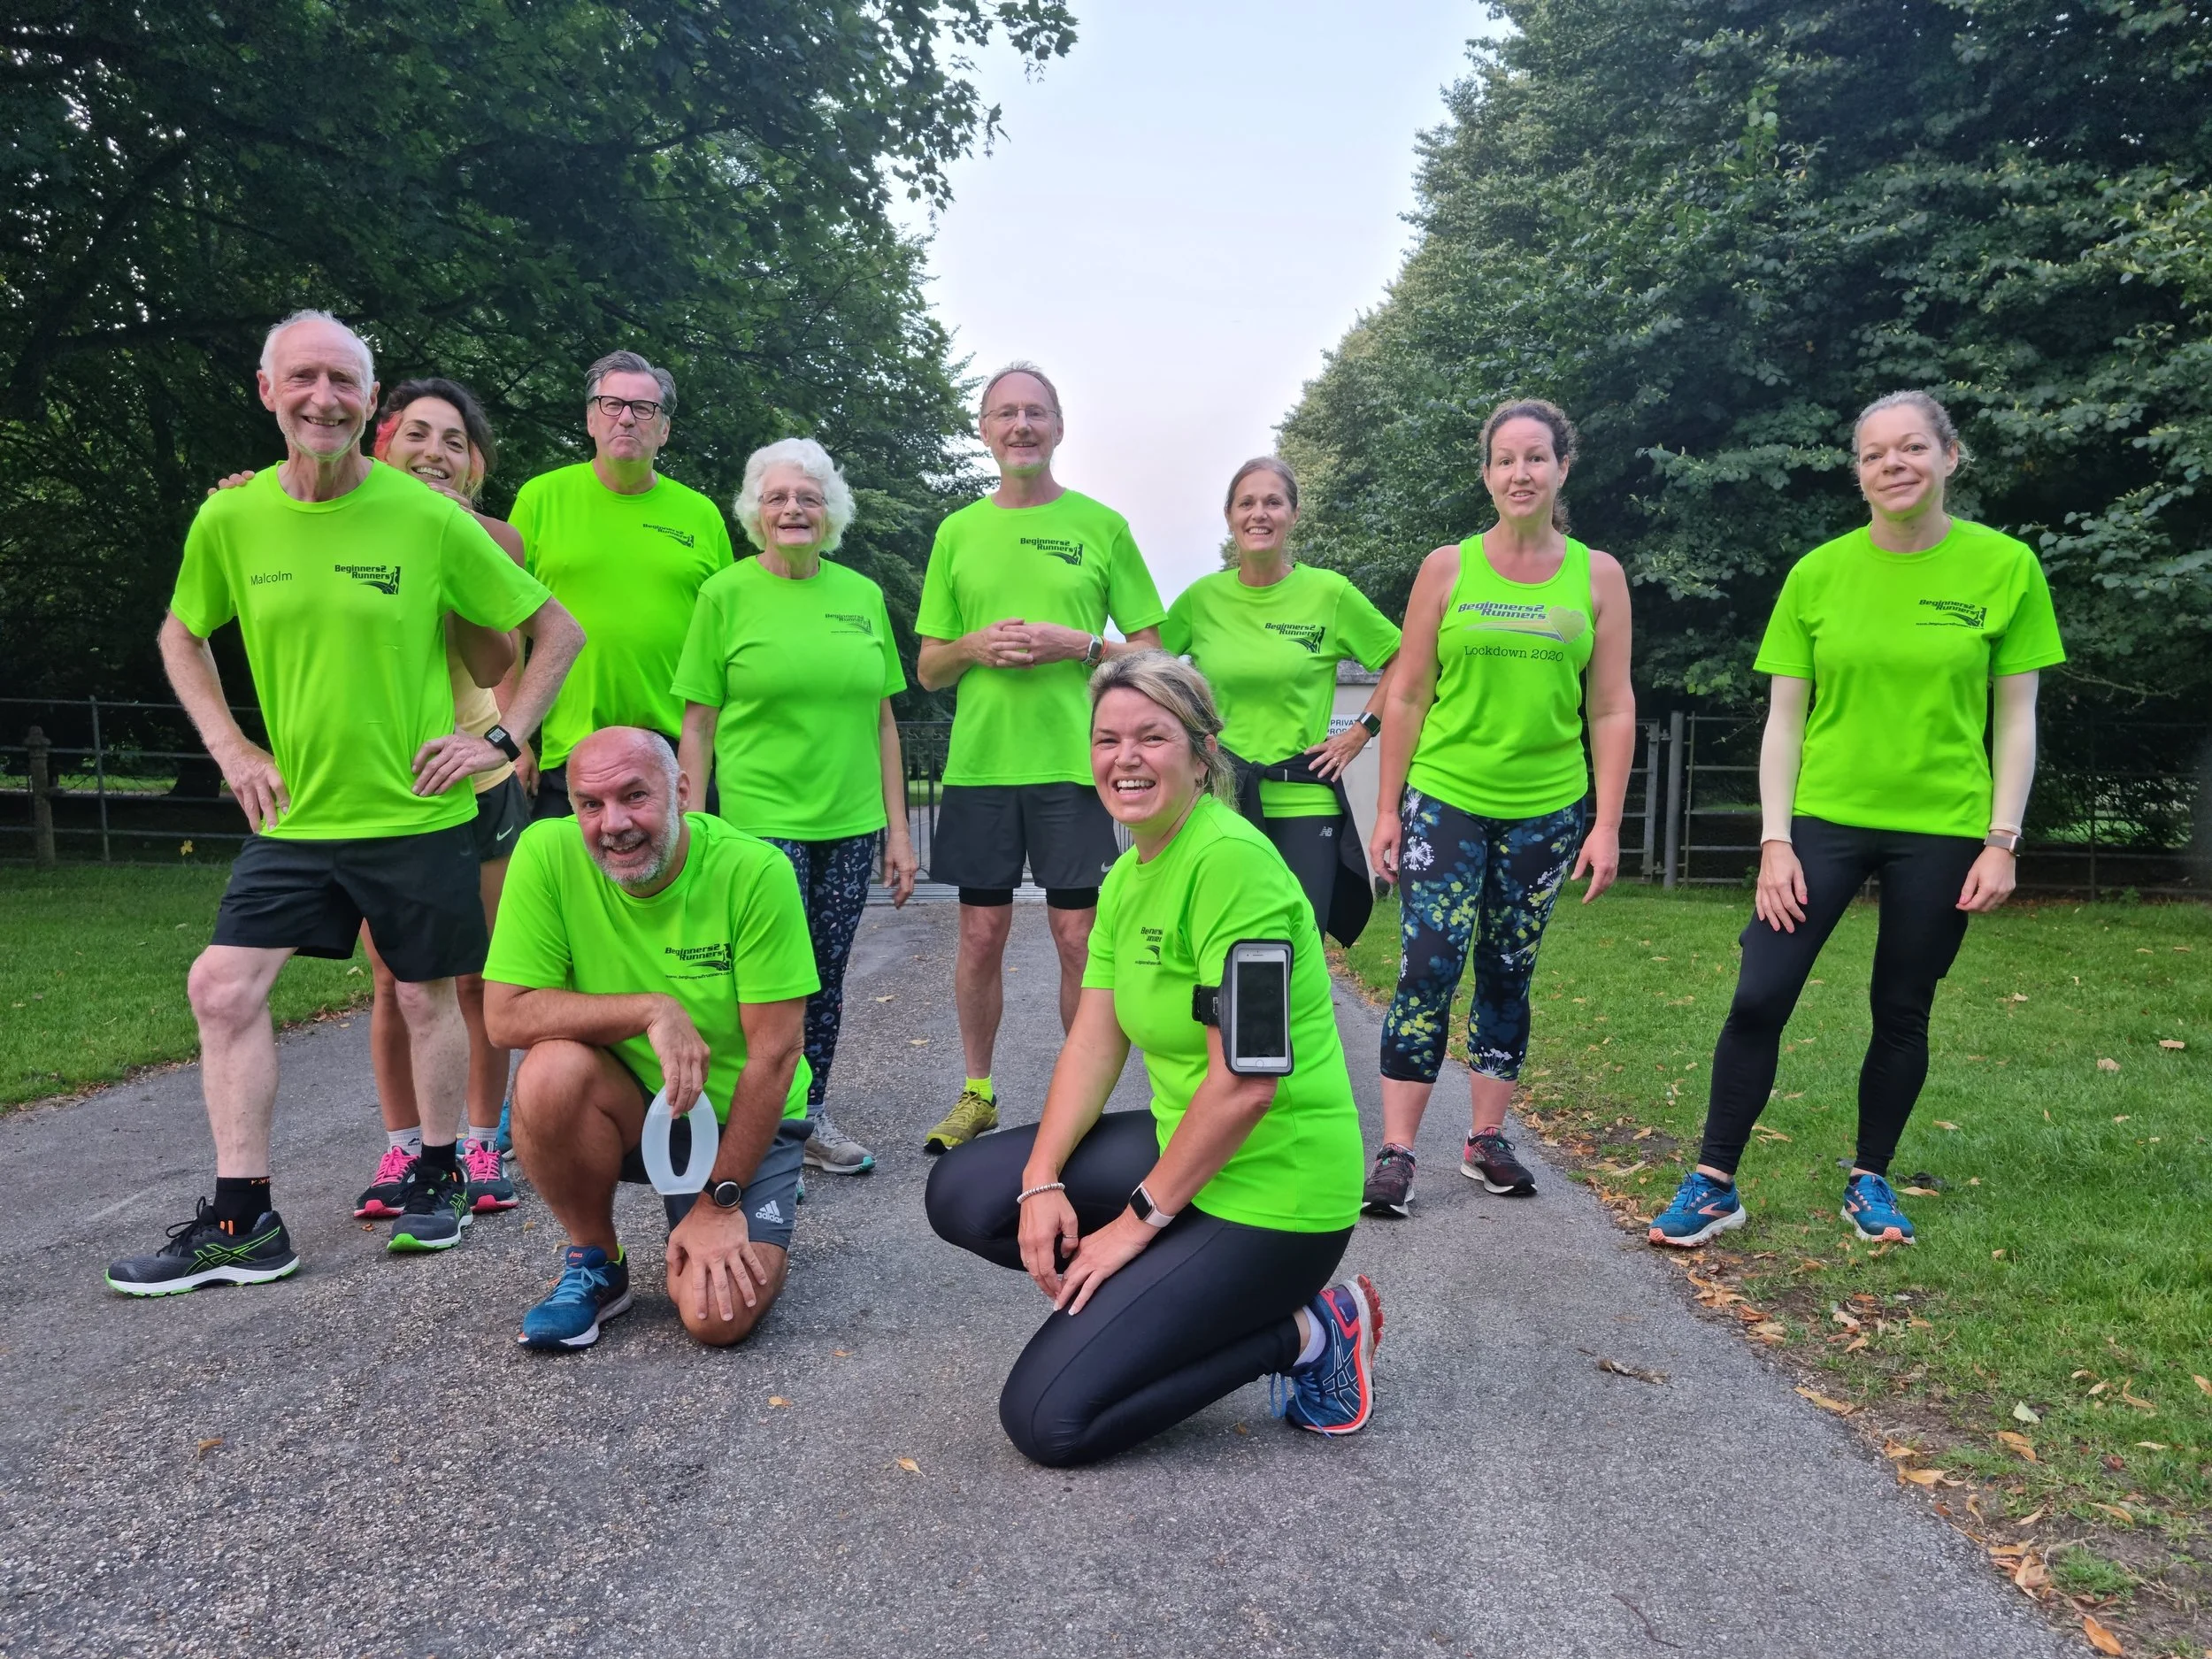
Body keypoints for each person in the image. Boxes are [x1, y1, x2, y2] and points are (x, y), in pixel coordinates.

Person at [105, 311, 584, 1295]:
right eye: (305, 378)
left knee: (426, 991)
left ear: (368, 401)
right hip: (297, 818)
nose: (323, 396)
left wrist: (495, 736)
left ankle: (441, 1171)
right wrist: (231, 746)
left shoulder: (429, 519)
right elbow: (180, 636)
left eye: (344, 380)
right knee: (221, 988)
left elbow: (555, 631)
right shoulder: (230, 518)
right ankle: (244, 1221)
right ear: (267, 390)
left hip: (415, 810)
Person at [925, 651, 1380, 1466]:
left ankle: (1310, 1330)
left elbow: (1244, 1090)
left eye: (1152, 737)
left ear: (1204, 754)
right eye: (1106, 739)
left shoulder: (1234, 867)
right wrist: (1042, 1179)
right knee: (968, 1192)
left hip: (1277, 1192)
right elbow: (1094, 1041)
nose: (1124, 758)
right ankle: (1171, 1285)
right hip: (1188, 1149)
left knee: (1048, 1422)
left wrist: (1132, 1228)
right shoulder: (1132, 872)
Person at [1649, 391, 2064, 1250]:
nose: (1893, 465)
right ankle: (1714, 1183)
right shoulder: (1817, 573)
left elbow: (2016, 716)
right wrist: (1773, 840)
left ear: (1950, 457)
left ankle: (1868, 1180)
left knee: (1902, 1004)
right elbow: (1785, 720)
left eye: (1912, 447)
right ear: (1857, 472)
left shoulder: (2005, 567)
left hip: (1944, 825)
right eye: (1875, 454)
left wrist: (2001, 839)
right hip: (1823, 819)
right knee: (1759, 991)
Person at [206, 377, 534, 1217]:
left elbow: (501, 661)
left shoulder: (488, 534)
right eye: (416, 434)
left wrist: (503, 739)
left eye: (455, 441)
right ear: (378, 446)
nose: (434, 452)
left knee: (476, 978)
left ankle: (478, 1142)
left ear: (476, 466)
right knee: (396, 981)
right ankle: (404, 1151)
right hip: (369, 790)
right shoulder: (311, 514)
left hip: (472, 776)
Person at [1364, 398, 1636, 1217]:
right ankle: (1398, 1152)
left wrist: (1609, 823)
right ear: (1486, 474)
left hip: (1546, 810)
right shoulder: (1447, 567)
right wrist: (1385, 810)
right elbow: (1407, 693)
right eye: (1505, 459)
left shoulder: (1598, 575)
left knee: (1509, 973)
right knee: (1427, 969)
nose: (1521, 473)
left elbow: (1612, 706)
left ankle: (1485, 1141)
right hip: (1445, 799)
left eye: (1536, 458)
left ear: (1562, 467)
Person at [482, 728, 818, 1350]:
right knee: (549, 1071)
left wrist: (721, 1202)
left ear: (682, 790)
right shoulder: (546, 853)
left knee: (715, 1319)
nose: (613, 824)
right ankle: (596, 1259)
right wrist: (650, 1010)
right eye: (590, 803)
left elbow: (776, 1055)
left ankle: (739, 1202)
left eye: (635, 796)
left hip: (743, 1111)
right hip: (632, 1105)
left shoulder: (755, 871)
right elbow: (505, 1017)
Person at [914, 363, 1167, 1154]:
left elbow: (1154, 654)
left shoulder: (1102, 524)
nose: (1020, 425)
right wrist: (971, 645)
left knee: (1077, 936)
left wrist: (1080, 644)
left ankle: (1077, 1097)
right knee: (982, 935)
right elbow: (928, 669)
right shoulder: (957, 531)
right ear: (984, 430)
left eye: (1035, 412)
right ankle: (979, 1091)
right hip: (984, 767)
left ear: (1059, 427)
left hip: (1073, 767)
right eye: (1004, 414)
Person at [675, 438, 919, 1178]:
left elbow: (883, 721)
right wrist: (689, 826)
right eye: (778, 497)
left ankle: (805, 1120)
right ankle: (752, 1128)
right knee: (763, 984)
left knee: (825, 978)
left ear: (830, 511)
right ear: (756, 510)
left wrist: (899, 831)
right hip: (759, 824)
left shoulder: (862, 596)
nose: (793, 509)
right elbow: (698, 722)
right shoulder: (725, 594)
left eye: (808, 497)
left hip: (847, 826)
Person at [1160, 456, 1400, 940]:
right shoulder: (1201, 599)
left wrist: (1361, 731)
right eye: (1246, 503)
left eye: (1273, 502)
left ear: (1293, 513)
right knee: (1220, 939)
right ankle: (1220, 1021)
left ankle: (1302, 1020)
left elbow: (1405, 660)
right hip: (1220, 799)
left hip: (1305, 800)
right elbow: (1149, 668)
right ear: (1229, 516)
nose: (1259, 513)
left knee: (1299, 943)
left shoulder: (1329, 593)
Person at [510, 349, 733, 821]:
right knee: (570, 892)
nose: (627, 418)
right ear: (591, 419)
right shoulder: (540, 499)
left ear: (664, 429)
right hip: (569, 752)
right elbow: (504, 623)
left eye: (644, 408)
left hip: (676, 753)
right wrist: (511, 736)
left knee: (676, 892)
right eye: (612, 404)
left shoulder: (702, 516)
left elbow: (725, 644)